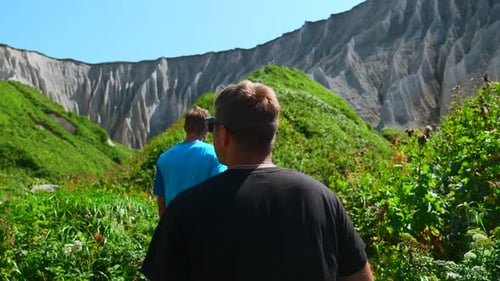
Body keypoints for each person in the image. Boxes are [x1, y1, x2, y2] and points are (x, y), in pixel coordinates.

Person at [141, 81, 374, 280]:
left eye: (213, 128)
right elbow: (360, 276)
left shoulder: (184, 208)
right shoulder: (322, 198)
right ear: (272, 134)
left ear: (223, 134)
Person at [152, 105, 226, 218]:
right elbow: (222, 194)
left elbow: (161, 203)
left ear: (185, 128)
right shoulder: (215, 155)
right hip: (202, 227)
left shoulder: (164, 158)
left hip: (173, 227)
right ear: (206, 129)